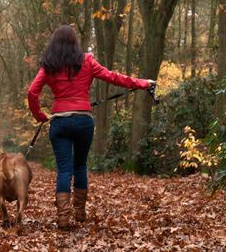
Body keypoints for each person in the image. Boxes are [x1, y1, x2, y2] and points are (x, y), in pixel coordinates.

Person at [27, 25, 155, 229]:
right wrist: (143, 83)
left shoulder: (49, 65)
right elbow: (113, 77)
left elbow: (32, 92)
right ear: (74, 42)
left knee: (63, 170)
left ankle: (62, 218)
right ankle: (79, 213)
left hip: (59, 121)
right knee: (80, 166)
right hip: (83, 121)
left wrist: (40, 116)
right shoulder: (86, 61)